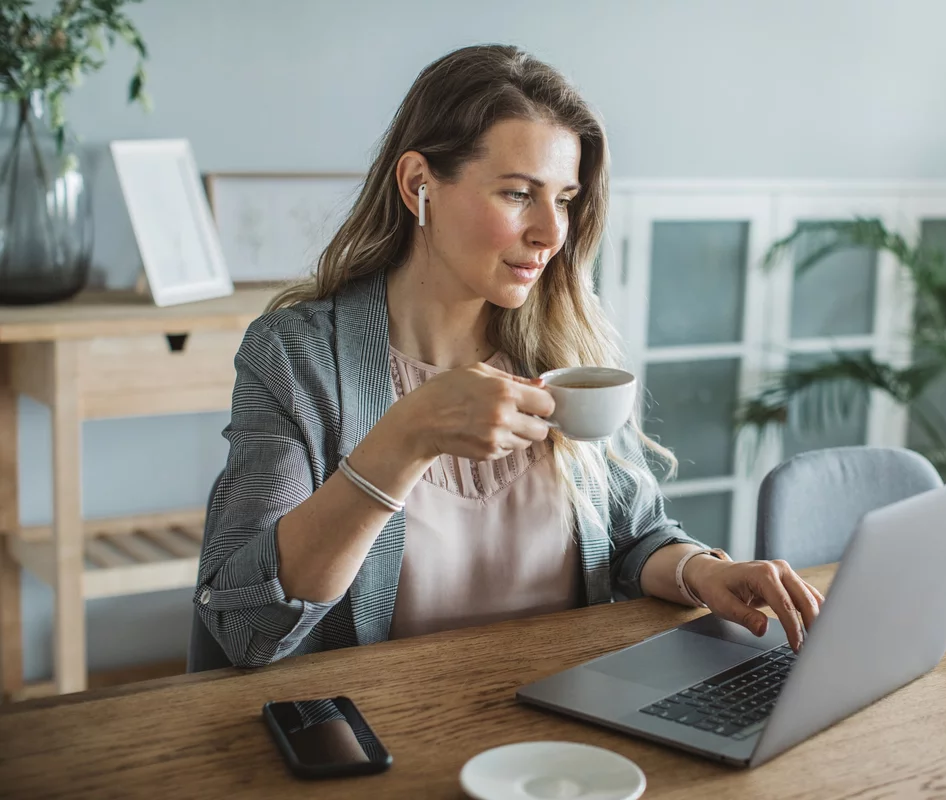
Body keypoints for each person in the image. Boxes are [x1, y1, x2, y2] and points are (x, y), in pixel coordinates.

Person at [196, 44, 823, 669]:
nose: (552, 233)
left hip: (567, 729)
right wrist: (406, 437)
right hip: (383, 735)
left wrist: (703, 573)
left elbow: (632, 536)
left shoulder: (564, 342)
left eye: (566, 199)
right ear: (420, 185)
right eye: (520, 194)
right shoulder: (298, 357)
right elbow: (245, 626)